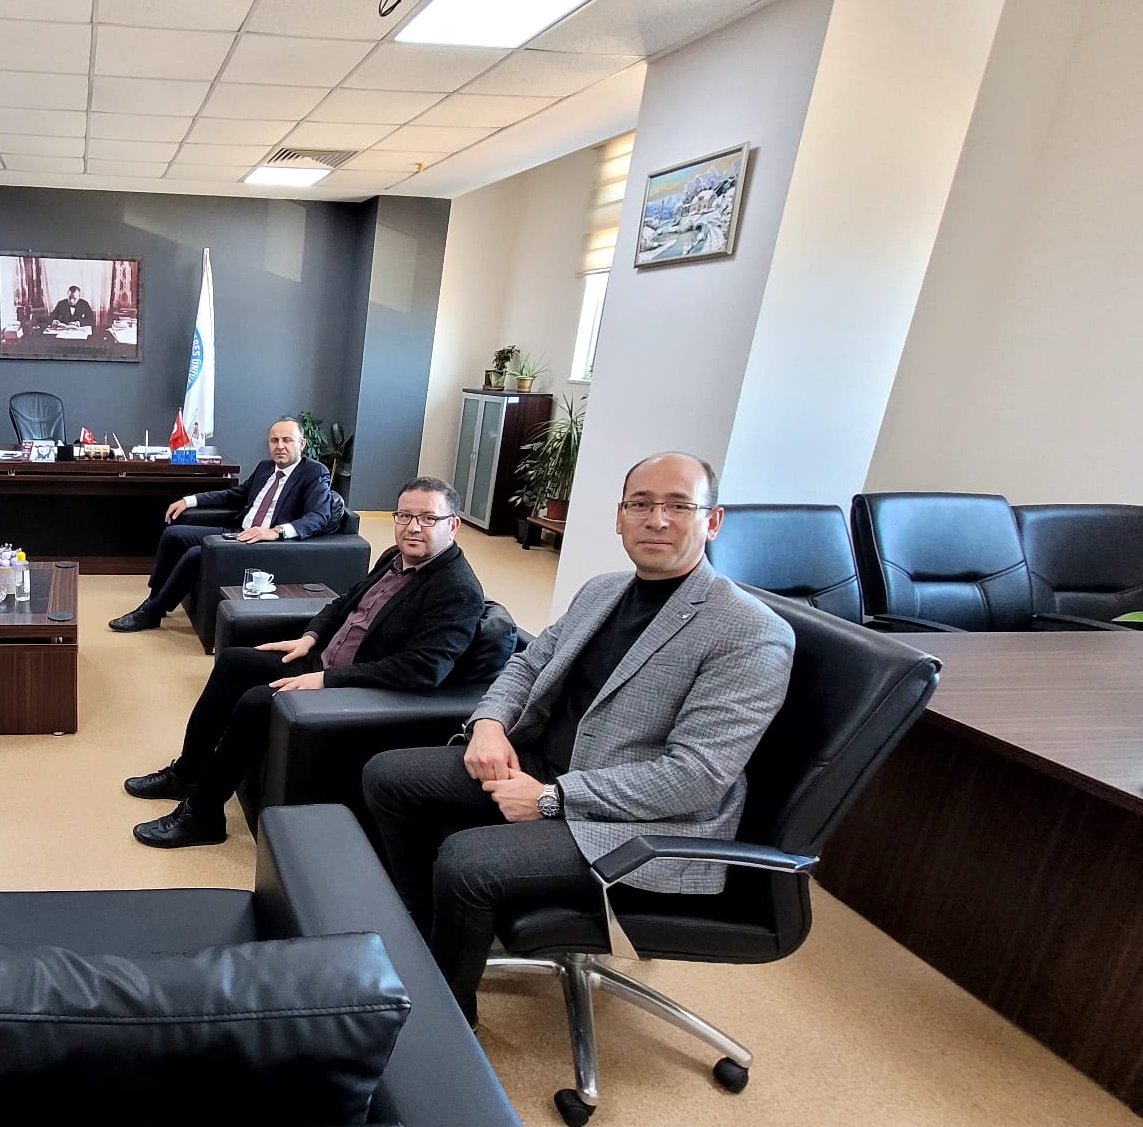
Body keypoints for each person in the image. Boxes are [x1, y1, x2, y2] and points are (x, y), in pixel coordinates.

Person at [360, 452, 794, 1021]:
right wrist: (489, 725)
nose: (656, 519)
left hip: (636, 824)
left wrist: (552, 798)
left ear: (712, 522)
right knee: (388, 775)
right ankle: (424, 933)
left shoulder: (749, 632)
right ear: (619, 517)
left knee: (466, 862)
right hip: (542, 762)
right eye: (640, 504)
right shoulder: (602, 591)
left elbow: (695, 778)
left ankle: (447, 1019)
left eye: (678, 506)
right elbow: (525, 665)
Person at [126, 476, 491, 848]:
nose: (413, 527)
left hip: (356, 688)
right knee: (235, 662)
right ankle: (187, 773)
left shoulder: (456, 589)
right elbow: (344, 602)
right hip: (325, 660)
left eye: (428, 518)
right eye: (404, 516)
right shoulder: (394, 558)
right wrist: (310, 637)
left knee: (258, 700)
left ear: (453, 525)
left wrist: (327, 680)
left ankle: (203, 815)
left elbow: (423, 669)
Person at [109, 417, 335, 633]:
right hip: (237, 534)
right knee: (173, 534)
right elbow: (234, 495)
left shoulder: (314, 472)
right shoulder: (265, 468)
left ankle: (152, 613)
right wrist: (190, 500)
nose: (280, 446)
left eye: (287, 440)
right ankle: (154, 598)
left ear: (301, 444)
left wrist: (276, 532)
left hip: (264, 544)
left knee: (197, 553)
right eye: (274, 440)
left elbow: (319, 516)